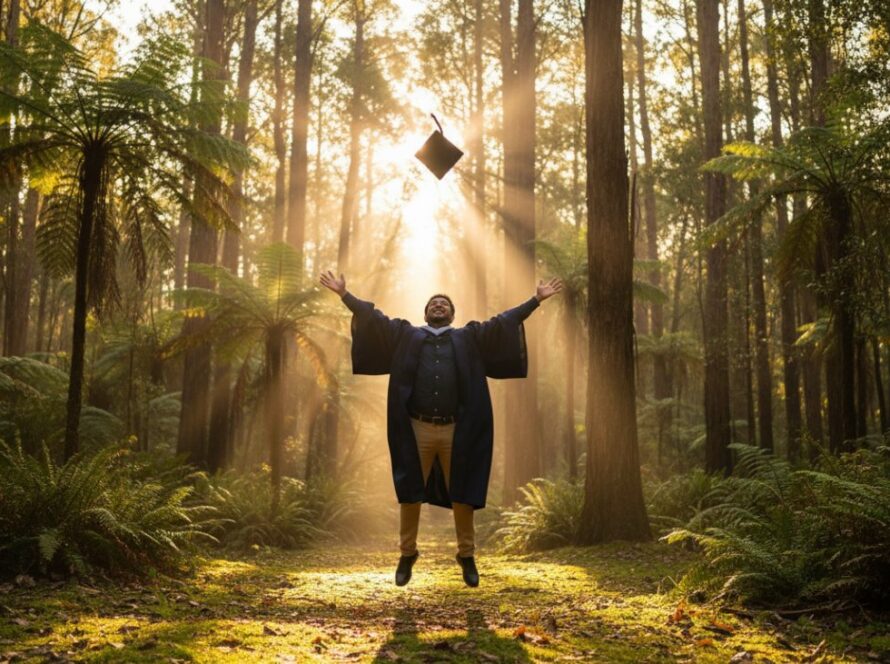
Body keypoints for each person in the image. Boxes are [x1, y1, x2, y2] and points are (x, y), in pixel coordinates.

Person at [320, 271, 562, 586]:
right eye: (433, 303)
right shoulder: (406, 335)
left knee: (462, 494)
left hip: (456, 431)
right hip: (417, 428)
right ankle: (407, 554)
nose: (438, 305)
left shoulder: (469, 337)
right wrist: (344, 294)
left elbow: (504, 321)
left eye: (443, 303)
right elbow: (374, 319)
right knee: (410, 494)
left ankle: (467, 555)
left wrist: (536, 300)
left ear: (452, 313)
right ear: (426, 312)